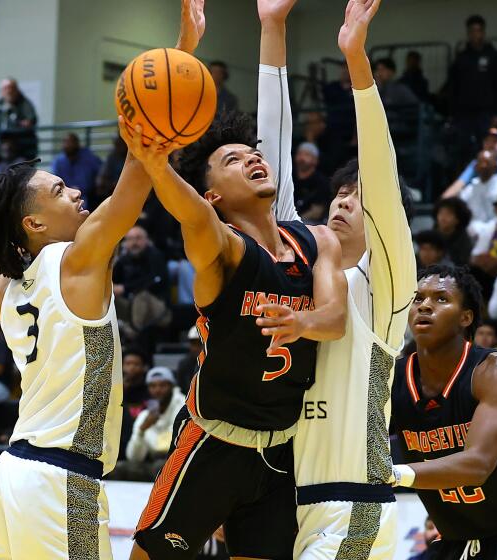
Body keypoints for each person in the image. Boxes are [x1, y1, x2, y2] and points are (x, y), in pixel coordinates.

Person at [0, 7, 193, 557]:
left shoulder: (8, 283)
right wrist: (181, 54)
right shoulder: (73, 260)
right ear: (35, 224)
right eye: (60, 189)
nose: (75, 192)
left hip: (14, 472)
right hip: (60, 480)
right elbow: (130, 192)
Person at [127, 2, 347, 557]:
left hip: (280, 453)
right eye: (233, 159)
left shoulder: (316, 239)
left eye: (254, 152)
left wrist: (302, 321)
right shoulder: (221, 245)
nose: (253, 157)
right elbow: (194, 216)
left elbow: (335, 318)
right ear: (215, 194)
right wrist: (155, 160)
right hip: (212, 442)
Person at [258, 2, 417, 556]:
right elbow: (270, 172)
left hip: (354, 504)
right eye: (338, 195)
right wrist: (272, 29)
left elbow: (382, 170)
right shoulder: (305, 270)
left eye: (357, 196)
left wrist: (357, 62)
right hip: (286, 500)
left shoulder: (387, 287)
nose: (345, 201)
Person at [392, 264, 497, 558]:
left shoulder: (493, 371)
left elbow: (477, 466)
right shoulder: (393, 378)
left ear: (466, 317)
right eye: (418, 298)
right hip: (455, 539)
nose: (425, 305)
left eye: (441, 299)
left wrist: (392, 473)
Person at [448, 15, 497, 162]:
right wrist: (453, 113)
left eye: (478, 30)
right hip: (464, 113)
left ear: (483, 32)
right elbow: (453, 86)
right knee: (463, 148)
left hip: (486, 112)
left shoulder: (493, 56)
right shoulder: (461, 58)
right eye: (472, 31)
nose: (475, 34)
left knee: (486, 145)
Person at [116, 367, 186, 482]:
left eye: (162, 385)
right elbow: (134, 458)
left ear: (172, 386)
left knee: (160, 467)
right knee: (119, 468)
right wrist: (142, 430)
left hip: (180, 462)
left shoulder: (183, 407)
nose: (157, 390)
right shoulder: (145, 415)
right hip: (153, 464)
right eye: (153, 386)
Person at [443, 128, 497, 198]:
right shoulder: (476, 163)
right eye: (487, 141)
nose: (490, 144)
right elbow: (459, 184)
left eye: (495, 141)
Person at [455, 150, 497, 235]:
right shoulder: (472, 187)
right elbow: (459, 207)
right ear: (476, 166)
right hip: (470, 233)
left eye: (487, 162)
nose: (483, 166)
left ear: (495, 166)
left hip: (495, 234)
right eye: (480, 162)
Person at [51, 133, 103, 209]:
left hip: (88, 195)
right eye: (65, 142)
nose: (67, 145)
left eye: (70, 142)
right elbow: (55, 180)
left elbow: (101, 171)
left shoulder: (88, 157)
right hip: (66, 195)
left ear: (77, 144)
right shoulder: (58, 161)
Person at [292, 142, 332, 223]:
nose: (302, 158)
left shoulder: (321, 182)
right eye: (299, 154)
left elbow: (316, 211)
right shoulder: (289, 177)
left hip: (308, 222)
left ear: (315, 160)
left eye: (307, 155)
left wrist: (295, 222)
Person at [433, 198, 473, 266]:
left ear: (458, 219)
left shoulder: (464, 242)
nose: (443, 217)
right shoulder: (431, 235)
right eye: (441, 213)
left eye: (448, 214)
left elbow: (462, 265)